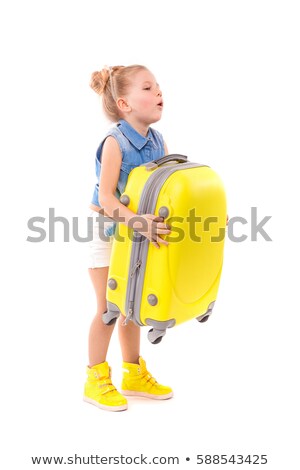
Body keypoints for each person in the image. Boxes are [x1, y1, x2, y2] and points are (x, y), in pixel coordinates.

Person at [84, 65, 173, 412]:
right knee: (109, 308)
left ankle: (133, 373)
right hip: (108, 232)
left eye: (159, 87)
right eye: (148, 88)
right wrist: (136, 221)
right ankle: (95, 378)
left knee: (131, 308)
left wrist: (204, 210)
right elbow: (107, 198)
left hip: (137, 231)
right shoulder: (114, 142)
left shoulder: (159, 141)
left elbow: (168, 187)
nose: (159, 93)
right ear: (124, 103)